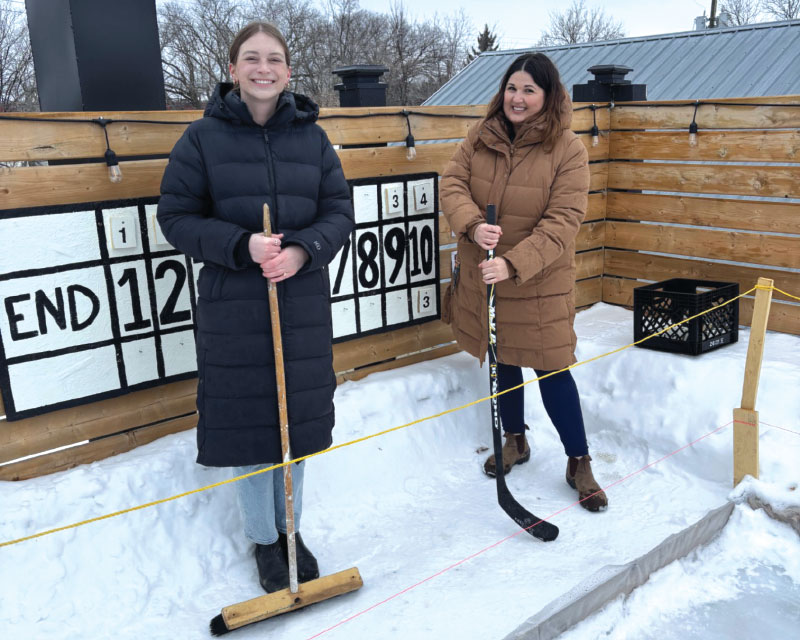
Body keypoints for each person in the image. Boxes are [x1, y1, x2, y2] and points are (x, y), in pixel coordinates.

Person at [157, 21, 355, 591]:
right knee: (252, 429)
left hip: (300, 305)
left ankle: (291, 528)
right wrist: (240, 245)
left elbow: (339, 211)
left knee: (295, 421)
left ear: (288, 72)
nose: (262, 68)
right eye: (251, 58)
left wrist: (301, 250)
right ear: (232, 70)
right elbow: (175, 218)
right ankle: (265, 540)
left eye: (273, 59)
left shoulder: (312, 140)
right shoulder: (202, 139)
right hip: (235, 310)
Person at [441, 53, 607, 512]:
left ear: (548, 96)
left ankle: (579, 460)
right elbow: (451, 183)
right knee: (502, 360)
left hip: (538, 283)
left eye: (529, 90)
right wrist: (474, 226)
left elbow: (564, 220)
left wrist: (513, 264)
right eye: (512, 87)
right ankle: (515, 440)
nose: (517, 98)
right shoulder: (482, 134)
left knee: (553, 367)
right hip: (485, 276)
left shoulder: (568, 149)